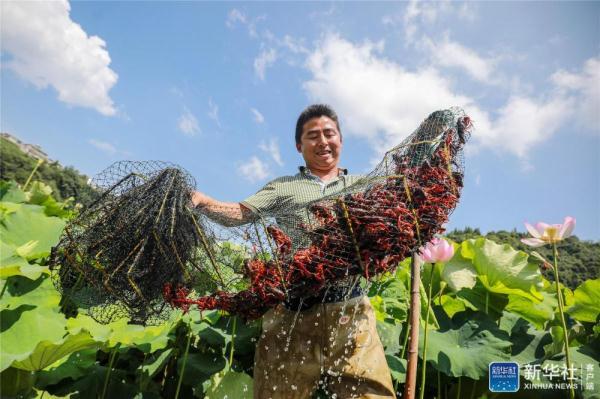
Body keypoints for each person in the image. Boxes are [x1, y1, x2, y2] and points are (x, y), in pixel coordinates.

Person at [192, 104, 395, 399]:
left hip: (350, 312)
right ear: (299, 146)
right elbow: (238, 213)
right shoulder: (283, 187)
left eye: (329, 133)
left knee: (371, 393)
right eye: (313, 136)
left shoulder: (364, 186)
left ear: (340, 139)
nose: (323, 142)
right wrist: (204, 201)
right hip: (292, 312)